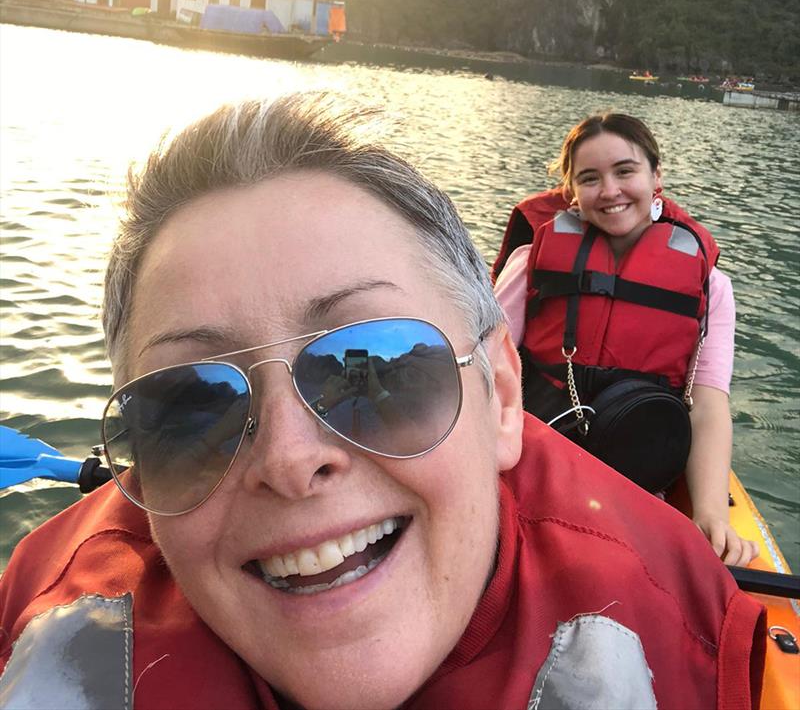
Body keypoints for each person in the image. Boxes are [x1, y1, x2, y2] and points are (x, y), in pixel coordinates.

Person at [0, 93, 764, 710]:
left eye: (375, 372)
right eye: (192, 407)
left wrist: (707, 512)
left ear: (499, 396)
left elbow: (709, 396)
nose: (290, 460)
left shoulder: (697, 644)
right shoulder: (35, 625)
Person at [493, 111, 759, 566]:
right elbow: (483, 366)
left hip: (636, 475)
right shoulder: (532, 260)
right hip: (535, 466)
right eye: (590, 178)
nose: (610, 191)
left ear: (656, 175)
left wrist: (712, 512)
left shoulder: (710, 285)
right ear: (572, 192)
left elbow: (709, 403)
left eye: (625, 171)